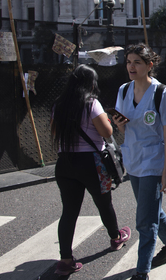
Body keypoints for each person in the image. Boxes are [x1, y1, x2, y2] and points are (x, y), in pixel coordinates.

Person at [51, 65, 131, 276]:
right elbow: (106, 132)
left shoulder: (58, 105)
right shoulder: (91, 103)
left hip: (65, 163)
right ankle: (116, 237)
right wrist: (109, 121)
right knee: (104, 203)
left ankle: (65, 259)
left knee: (69, 211)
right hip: (91, 163)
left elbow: (54, 131)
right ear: (91, 83)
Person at [113, 44, 166, 280]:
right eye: (129, 62)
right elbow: (123, 126)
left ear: (150, 65)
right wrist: (119, 125)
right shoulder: (123, 90)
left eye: (137, 62)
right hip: (132, 160)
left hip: (153, 161)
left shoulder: (163, 93)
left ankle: (142, 271)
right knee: (151, 210)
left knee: (144, 220)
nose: (131, 66)